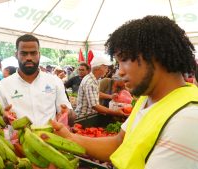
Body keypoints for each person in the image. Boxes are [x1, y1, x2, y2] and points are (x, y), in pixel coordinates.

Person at [51, 15, 198, 169]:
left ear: (156, 56)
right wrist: (69, 138)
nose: (119, 72)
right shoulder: (147, 99)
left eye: (125, 59)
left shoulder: (188, 119)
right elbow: (119, 144)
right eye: (117, 62)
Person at [0, 34, 74, 126]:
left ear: (39, 55)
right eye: (24, 53)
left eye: (33, 53)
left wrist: (68, 113)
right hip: (18, 139)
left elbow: (70, 116)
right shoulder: (2, 86)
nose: (29, 57)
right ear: (16, 55)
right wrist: (3, 118)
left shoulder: (55, 81)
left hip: (51, 138)